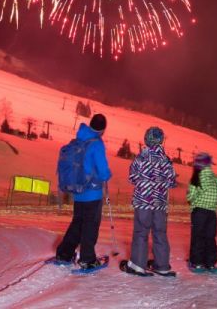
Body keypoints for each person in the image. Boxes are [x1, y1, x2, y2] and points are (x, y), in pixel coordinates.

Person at [55, 113, 112, 269]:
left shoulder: (80, 139)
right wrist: (108, 175)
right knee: (90, 225)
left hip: (78, 192)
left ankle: (64, 253)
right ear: (103, 129)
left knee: (77, 223)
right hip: (92, 192)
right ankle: (87, 259)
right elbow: (102, 171)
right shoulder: (97, 144)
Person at [125, 126, 178, 276]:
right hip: (159, 204)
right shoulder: (166, 160)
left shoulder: (140, 158)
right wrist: (161, 182)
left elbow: (132, 177)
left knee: (141, 232)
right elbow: (172, 182)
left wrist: (145, 181)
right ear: (161, 141)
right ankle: (162, 265)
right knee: (160, 233)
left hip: (143, 202)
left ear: (146, 140)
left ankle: (138, 264)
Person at [186, 152, 217, 273]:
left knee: (198, 237)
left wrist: (193, 200)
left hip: (199, 212)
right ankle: (211, 263)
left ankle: (197, 263)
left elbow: (191, 195)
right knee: (210, 237)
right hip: (212, 213)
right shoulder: (215, 178)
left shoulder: (197, 178)